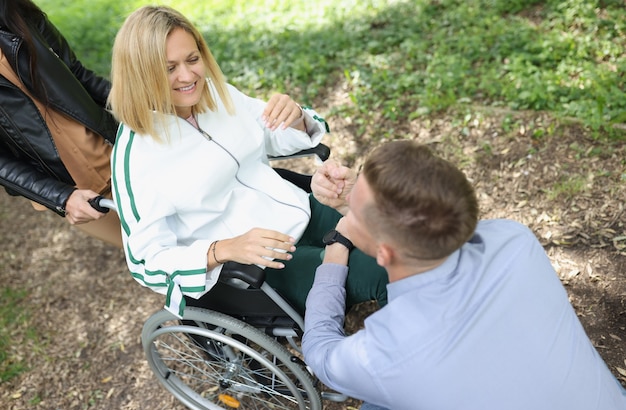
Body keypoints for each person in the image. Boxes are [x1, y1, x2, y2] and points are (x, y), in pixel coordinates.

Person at [303, 140, 626, 410]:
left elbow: (319, 349)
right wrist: (366, 205)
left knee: (376, 409)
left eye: (355, 212)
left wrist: (337, 246)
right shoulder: (515, 240)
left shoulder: (387, 352)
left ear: (385, 253)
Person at [107, 5, 388, 318]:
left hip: (298, 209)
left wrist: (295, 118)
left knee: (400, 228)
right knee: (384, 272)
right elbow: (145, 262)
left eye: (192, 59)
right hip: (262, 266)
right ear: (140, 74)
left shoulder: (216, 93)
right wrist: (223, 249)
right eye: (168, 68)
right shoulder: (137, 157)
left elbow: (272, 137)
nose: (187, 76)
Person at [0, 0, 122, 247]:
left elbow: (77, 74)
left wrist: (139, 106)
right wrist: (61, 198)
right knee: (156, 263)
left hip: (118, 154)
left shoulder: (15, 12)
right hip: (79, 193)